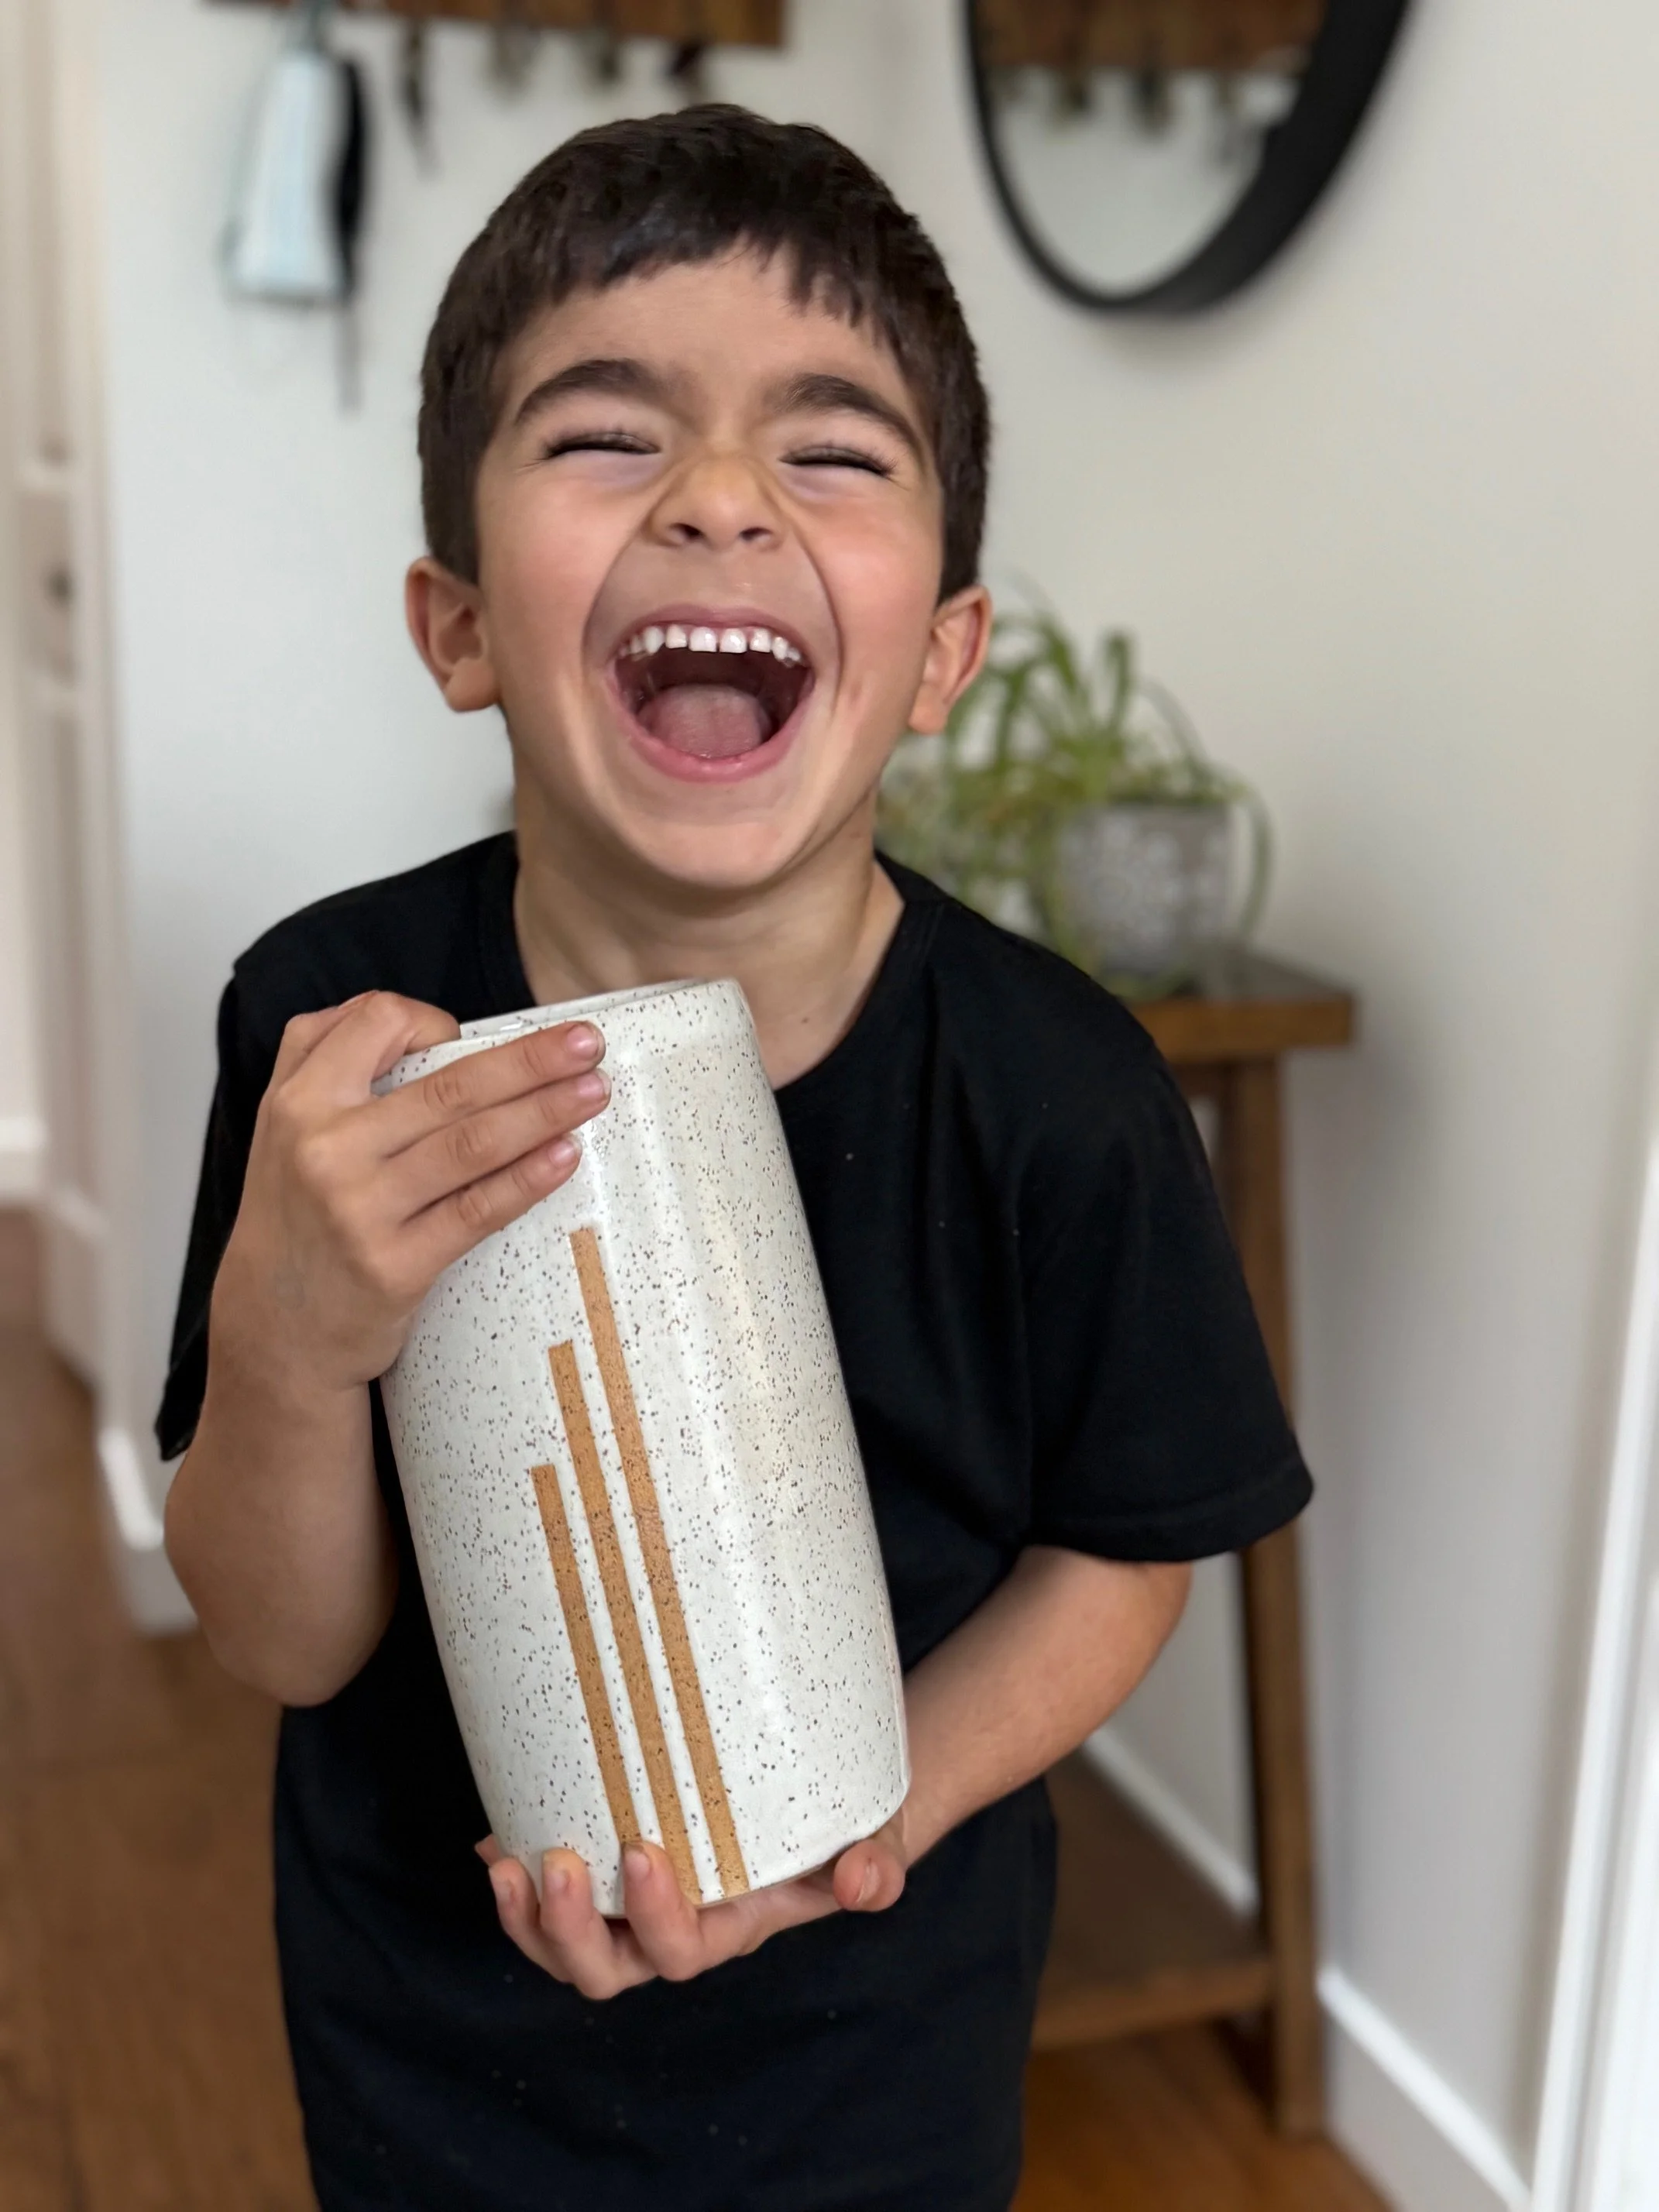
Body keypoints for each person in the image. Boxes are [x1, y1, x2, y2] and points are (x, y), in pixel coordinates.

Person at [160, 105, 1311, 2212]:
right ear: (457, 627)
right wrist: (293, 1334)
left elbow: (1125, 1545)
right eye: (607, 439)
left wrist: (862, 1821)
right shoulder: (332, 1033)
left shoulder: (1060, 1090)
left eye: (830, 450)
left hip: (875, 2051)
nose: (714, 499)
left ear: (940, 658)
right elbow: (278, 1638)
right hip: (425, 2044)